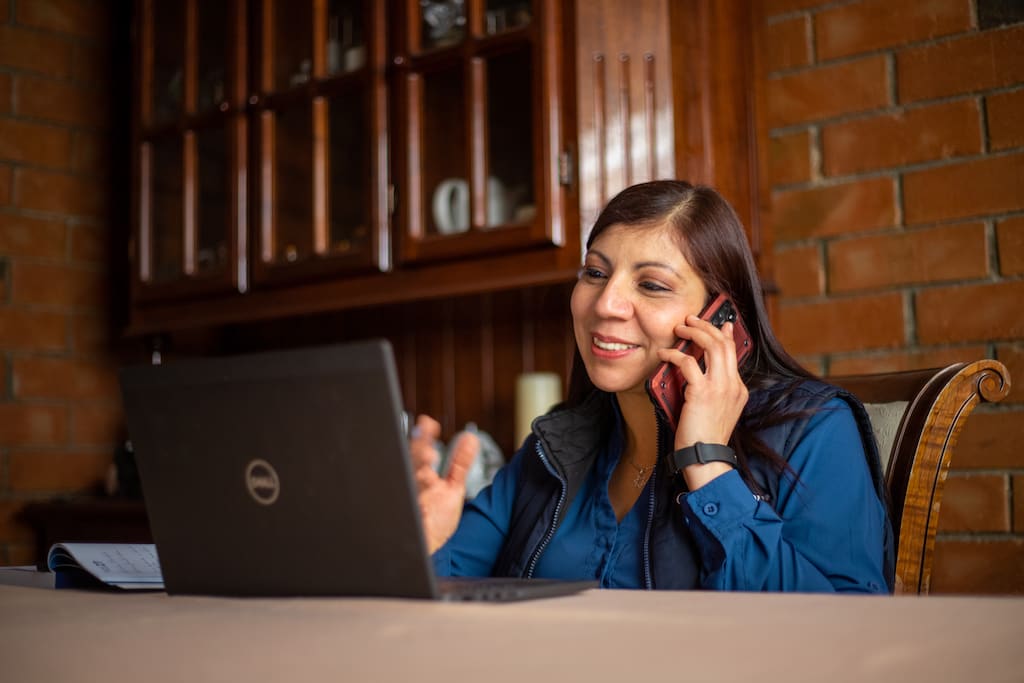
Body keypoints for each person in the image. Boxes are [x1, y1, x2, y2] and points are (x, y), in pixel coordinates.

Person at [410, 180, 893, 593]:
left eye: (652, 285)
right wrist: (419, 544)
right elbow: (439, 603)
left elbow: (845, 628)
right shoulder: (555, 447)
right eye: (595, 273)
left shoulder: (816, 430)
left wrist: (708, 464)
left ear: (720, 320)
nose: (607, 303)